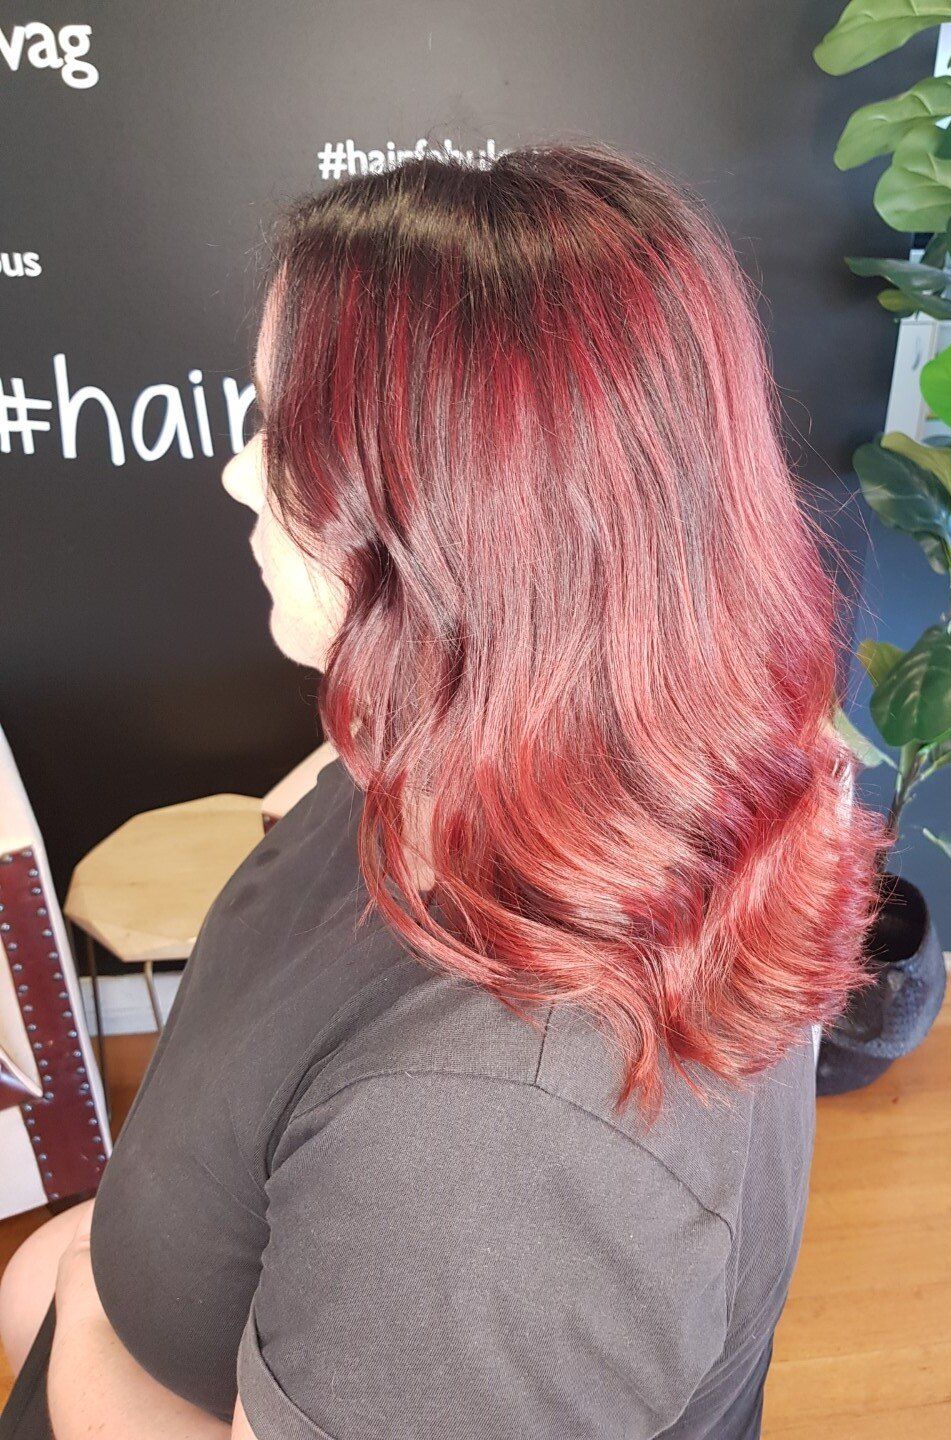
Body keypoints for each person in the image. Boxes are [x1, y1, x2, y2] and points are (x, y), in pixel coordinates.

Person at [0, 142, 890, 1440]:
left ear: (466, 529)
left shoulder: (496, 1158)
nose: (239, 473)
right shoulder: (481, 744)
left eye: (282, 433)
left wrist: (81, 1310)